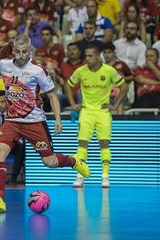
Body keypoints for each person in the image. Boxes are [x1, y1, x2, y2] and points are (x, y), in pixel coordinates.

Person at [0, 35, 90, 212]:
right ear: (13, 51)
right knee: (0, 152)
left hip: (35, 122)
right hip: (12, 121)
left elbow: (52, 95)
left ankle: (74, 161)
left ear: (29, 51)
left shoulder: (37, 70)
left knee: (50, 161)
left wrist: (58, 118)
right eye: (17, 52)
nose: (21, 56)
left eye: (24, 52)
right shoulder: (5, 64)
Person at [64, 43, 128, 188]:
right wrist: (73, 103)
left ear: (99, 56)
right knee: (82, 144)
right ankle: (80, 176)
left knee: (104, 143)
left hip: (102, 112)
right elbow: (68, 85)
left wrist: (115, 105)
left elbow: (124, 86)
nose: (87, 58)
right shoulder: (81, 71)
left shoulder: (109, 71)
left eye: (90, 55)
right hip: (86, 112)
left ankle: (105, 177)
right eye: (86, 55)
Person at [102, 42, 134, 114]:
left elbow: (131, 77)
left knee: (119, 91)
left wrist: (124, 78)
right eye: (105, 53)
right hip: (106, 92)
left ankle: (120, 118)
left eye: (109, 52)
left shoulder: (121, 64)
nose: (107, 55)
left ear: (114, 53)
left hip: (120, 92)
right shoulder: (101, 67)